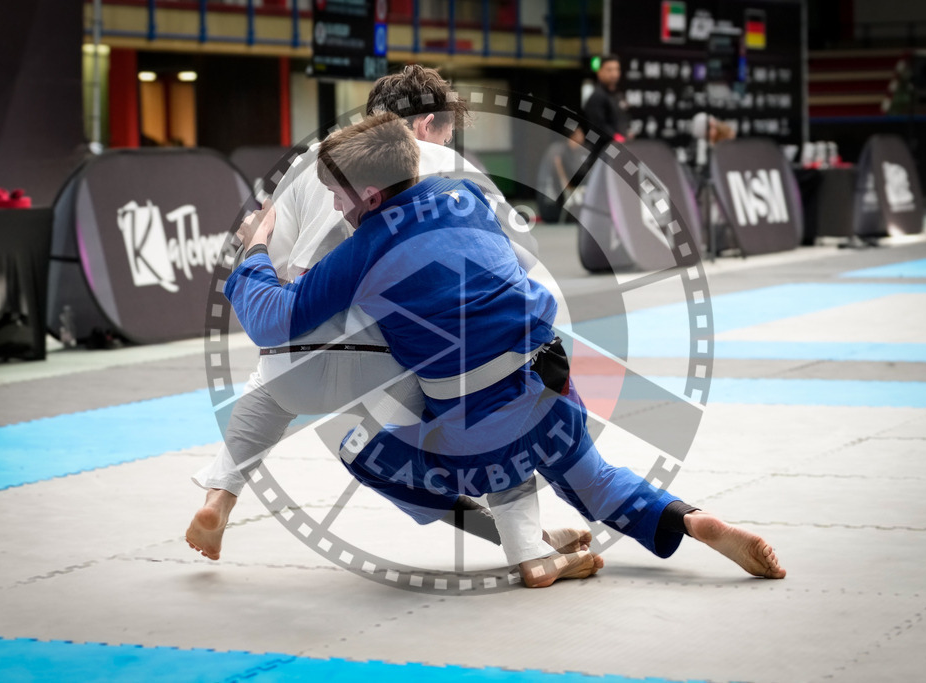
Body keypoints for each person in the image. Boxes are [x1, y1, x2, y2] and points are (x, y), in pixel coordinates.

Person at [227, 113, 786, 582]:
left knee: (357, 447)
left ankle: (526, 552)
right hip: (551, 378)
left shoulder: (364, 248)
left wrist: (254, 250)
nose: (337, 210)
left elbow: (275, 321)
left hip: (475, 422)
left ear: (369, 194)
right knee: (593, 478)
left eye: (338, 196)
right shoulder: (465, 194)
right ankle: (690, 519)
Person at [186, 65, 596, 587]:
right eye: (447, 133)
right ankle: (527, 547)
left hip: (294, 358)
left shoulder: (312, 161)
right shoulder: (442, 163)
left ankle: (218, 498)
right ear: (427, 126)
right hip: (382, 359)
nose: (447, 143)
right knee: (485, 393)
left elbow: (271, 259)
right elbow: (521, 251)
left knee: (269, 383)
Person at [535, 127, 588, 224]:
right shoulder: (559, 150)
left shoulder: (567, 149)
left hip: (554, 194)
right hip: (549, 198)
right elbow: (561, 173)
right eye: (579, 134)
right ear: (571, 137)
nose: (583, 137)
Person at [583, 55, 632, 143]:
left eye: (617, 69)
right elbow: (598, 126)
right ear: (600, 72)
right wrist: (616, 137)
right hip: (602, 150)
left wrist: (627, 132)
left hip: (620, 148)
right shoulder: (597, 96)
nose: (614, 74)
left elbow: (623, 118)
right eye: (609, 70)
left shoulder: (618, 95)